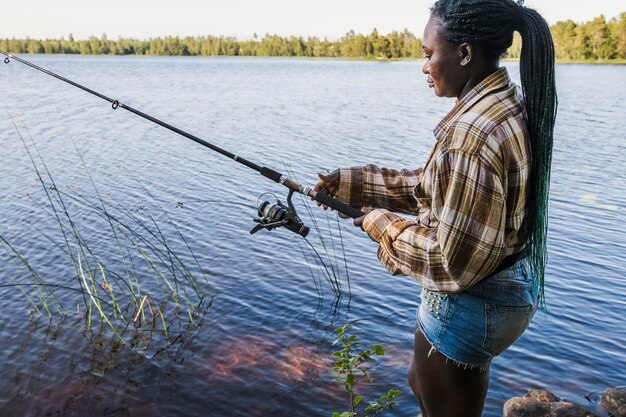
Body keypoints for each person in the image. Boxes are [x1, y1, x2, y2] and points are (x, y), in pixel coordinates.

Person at [313, 1, 557, 416]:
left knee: (439, 402)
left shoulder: (471, 133)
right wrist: (356, 186)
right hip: (506, 283)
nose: (423, 66)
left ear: (464, 53)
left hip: (474, 299)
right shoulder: (499, 105)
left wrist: (381, 225)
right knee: (421, 379)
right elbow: (434, 188)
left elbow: (450, 262)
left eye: (429, 54)